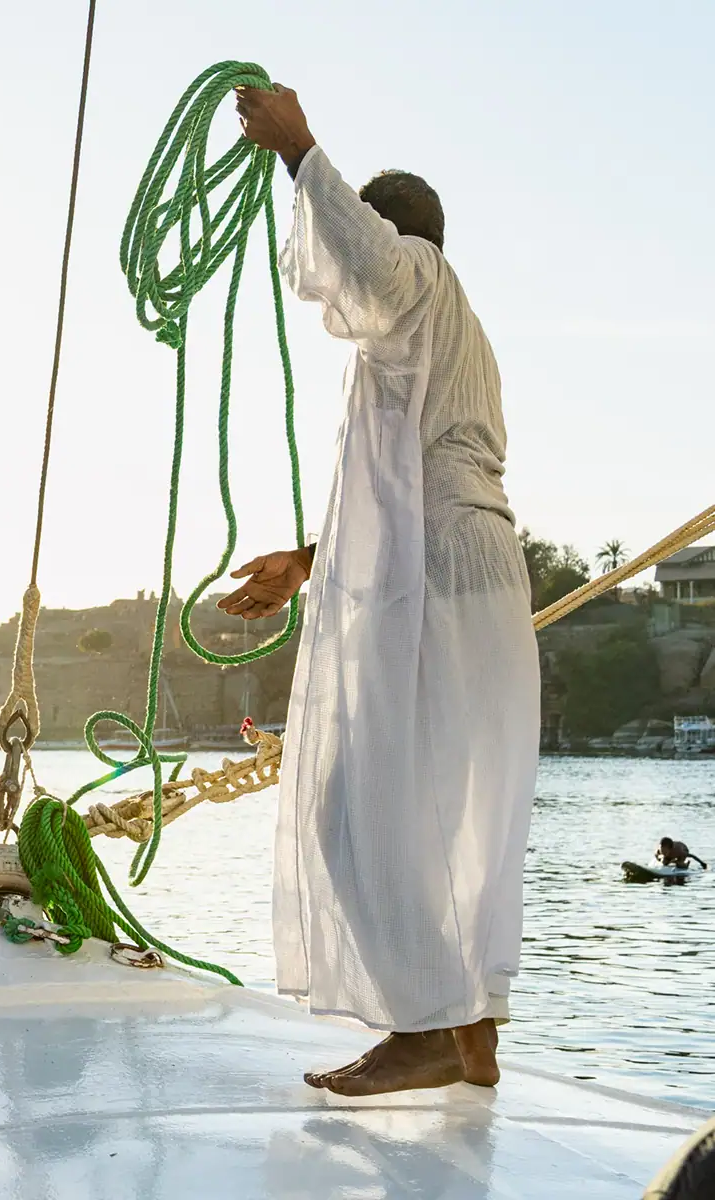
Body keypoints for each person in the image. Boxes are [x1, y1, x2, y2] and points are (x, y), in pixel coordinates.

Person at [222, 84, 540, 1097]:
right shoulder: (445, 339)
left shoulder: (421, 274)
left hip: (445, 590)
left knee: (354, 808)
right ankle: (469, 1035)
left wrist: (298, 151)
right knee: (448, 816)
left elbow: (371, 257)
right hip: (472, 581)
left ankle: (419, 1032)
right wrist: (310, 564)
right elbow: (413, 483)